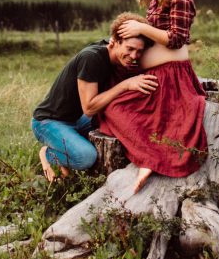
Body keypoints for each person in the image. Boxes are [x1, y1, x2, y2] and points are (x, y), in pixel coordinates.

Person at [98, 0, 207, 193]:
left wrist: (141, 28)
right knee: (114, 107)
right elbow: (151, 36)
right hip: (156, 73)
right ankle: (147, 156)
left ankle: (150, 159)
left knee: (127, 110)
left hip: (171, 75)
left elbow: (176, 39)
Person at [31, 12, 159, 182]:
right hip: (49, 122)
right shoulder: (92, 58)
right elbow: (89, 108)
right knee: (86, 157)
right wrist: (125, 85)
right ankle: (48, 154)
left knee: (117, 125)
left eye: (139, 51)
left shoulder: (117, 56)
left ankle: (69, 151)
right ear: (115, 41)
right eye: (130, 49)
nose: (134, 56)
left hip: (77, 119)